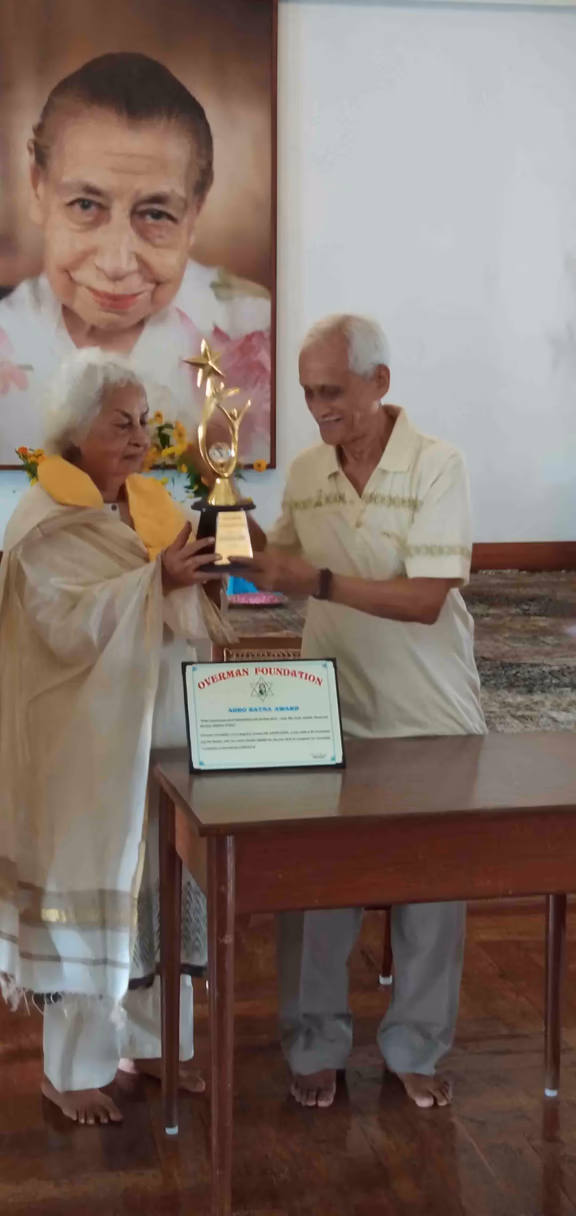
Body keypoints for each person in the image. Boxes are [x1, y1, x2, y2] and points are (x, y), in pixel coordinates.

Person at [238, 314, 486, 1111]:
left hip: (431, 716)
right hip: (330, 713)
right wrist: (228, 526)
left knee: (432, 897)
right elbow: (276, 565)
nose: (318, 409)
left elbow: (425, 599)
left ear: (379, 382)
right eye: (308, 393)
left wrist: (314, 581)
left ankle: (417, 1048)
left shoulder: (439, 466)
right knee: (317, 894)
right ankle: (315, 1046)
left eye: (332, 391)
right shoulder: (309, 469)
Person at [0, 348, 235, 1125]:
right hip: (87, 749)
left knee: (164, 887)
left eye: (143, 423)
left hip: (162, 731)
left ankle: (158, 1044)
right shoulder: (43, 522)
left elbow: (179, 609)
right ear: (76, 432)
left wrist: (201, 578)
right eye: (119, 425)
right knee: (92, 895)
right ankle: (69, 1073)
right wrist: (155, 582)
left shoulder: (151, 506)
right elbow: (62, 627)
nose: (138, 439)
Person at [0, 52, 271, 465]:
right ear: (38, 187)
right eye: (86, 205)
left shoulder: (266, 335)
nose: (116, 263)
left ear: (195, 209)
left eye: (156, 214)